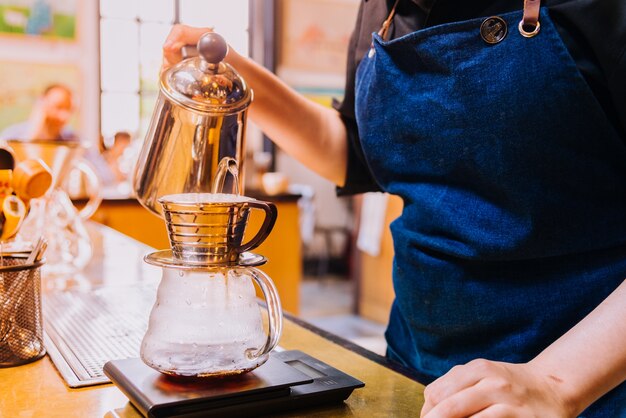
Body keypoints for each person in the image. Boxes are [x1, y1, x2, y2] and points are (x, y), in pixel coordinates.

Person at [162, 0, 626, 416]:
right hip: (414, 369)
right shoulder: (381, 10)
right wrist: (234, 73)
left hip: (585, 387)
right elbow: (349, 152)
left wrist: (553, 383)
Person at [0, 83, 77, 142]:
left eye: (69, 109)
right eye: (58, 107)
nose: (64, 116)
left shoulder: (74, 140)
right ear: (41, 103)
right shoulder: (11, 136)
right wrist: (34, 133)